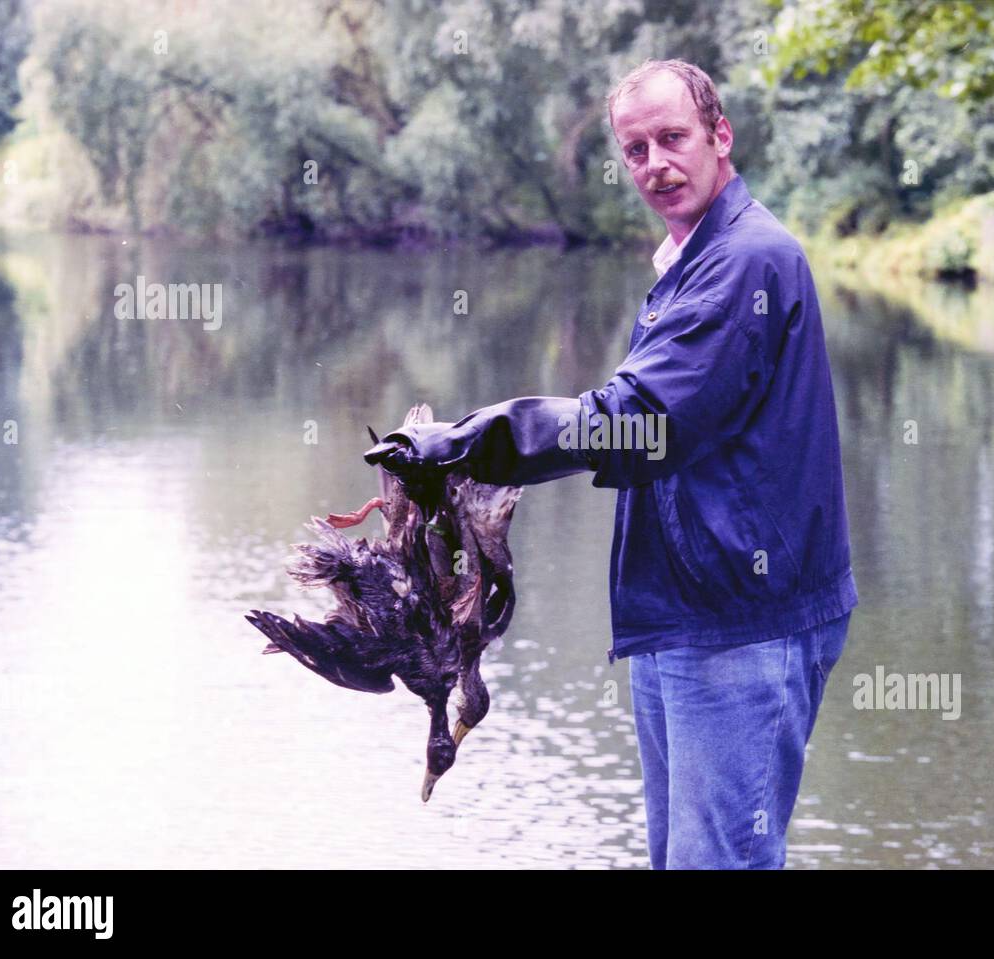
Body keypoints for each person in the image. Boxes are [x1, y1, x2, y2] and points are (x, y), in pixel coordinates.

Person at [365, 59, 858, 869]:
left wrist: (470, 441)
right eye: (635, 150)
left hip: (742, 624)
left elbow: (639, 425)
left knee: (719, 862)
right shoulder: (695, 263)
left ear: (720, 135)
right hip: (688, 613)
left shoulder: (745, 264)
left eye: (672, 139)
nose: (655, 164)